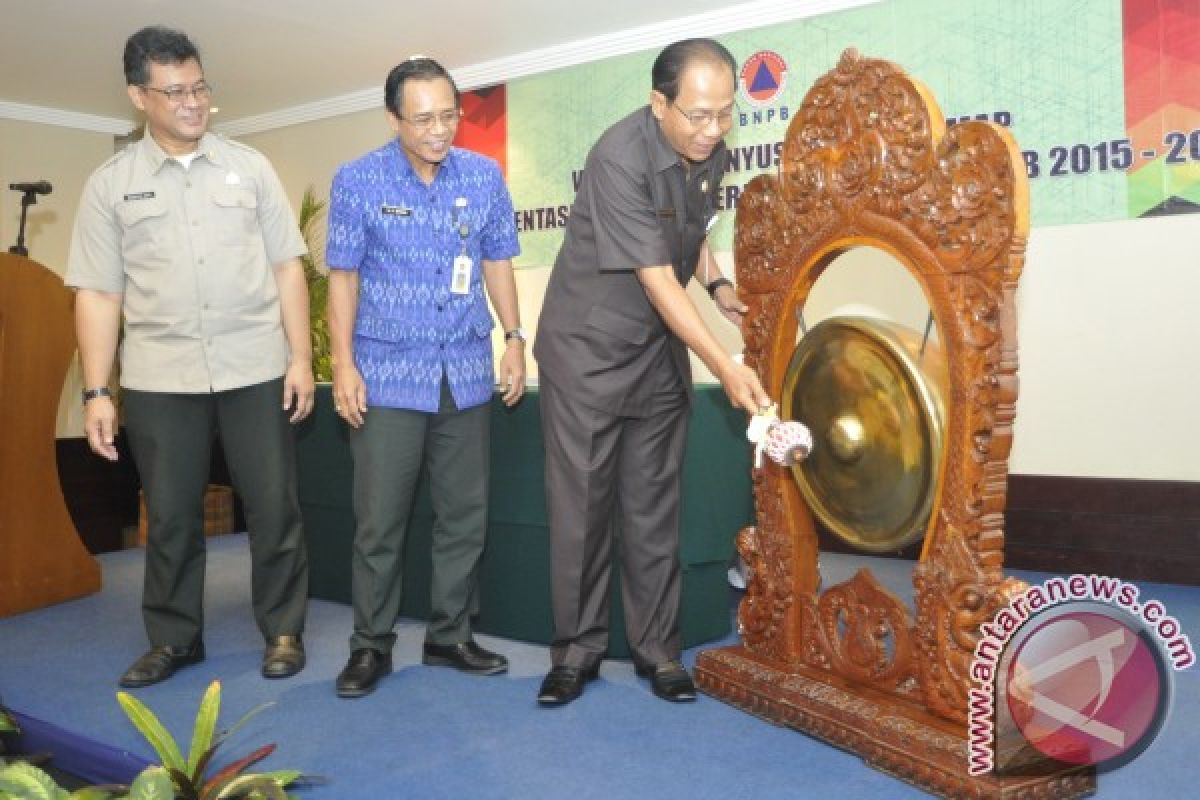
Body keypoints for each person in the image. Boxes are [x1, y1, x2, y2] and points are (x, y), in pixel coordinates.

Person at [67, 26, 313, 688]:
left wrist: (301, 358)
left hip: (255, 366)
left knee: (274, 507)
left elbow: (288, 269)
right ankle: (175, 640)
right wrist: (96, 392)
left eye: (200, 87)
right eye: (175, 91)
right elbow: (98, 293)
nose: (193, 103)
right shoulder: (110, 185)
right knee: (171, 516)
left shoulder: (249, 168)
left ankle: (284, 630)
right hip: (159, 377)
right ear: (138, 96)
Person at [533, 38, 770, 706]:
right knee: (581, 514)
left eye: (725, 113)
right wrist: (724, 364)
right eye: (697, 114)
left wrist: (722, 288)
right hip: (588, 356)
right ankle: (575, 655)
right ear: (658, 102)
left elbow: (689, 238)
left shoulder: (710, 151)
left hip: (654, 358)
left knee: (653, 511)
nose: (713, 129)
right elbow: (656, 277)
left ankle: (658, 652)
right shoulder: (617, 157)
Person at [325, 57, 525, 698]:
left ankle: (450, 636)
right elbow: (343, 278)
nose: (440, 129)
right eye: (423, 119)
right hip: (386, 375)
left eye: (449, 115)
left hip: (464, 371)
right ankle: (369, 646)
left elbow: (497, 261)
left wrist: (515, 339)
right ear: (393, 119)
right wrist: (345, 365)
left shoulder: (485, 175)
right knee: (379, 522)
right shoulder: (356, 180)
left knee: (464, 516)